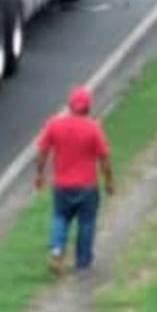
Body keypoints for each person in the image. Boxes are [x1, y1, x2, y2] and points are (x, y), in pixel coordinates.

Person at [35, 85, 116, 276]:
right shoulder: (93, 128)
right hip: (87, 187)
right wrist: (109, 182)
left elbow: (42, 152)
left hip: (62, 185)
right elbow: (104, 159)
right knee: (86, 223)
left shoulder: (54, 125)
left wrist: (39, 174)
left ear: (69, 105)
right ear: (88, 107)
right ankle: (82, 264)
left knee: (59, 217)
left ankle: (56, 249)